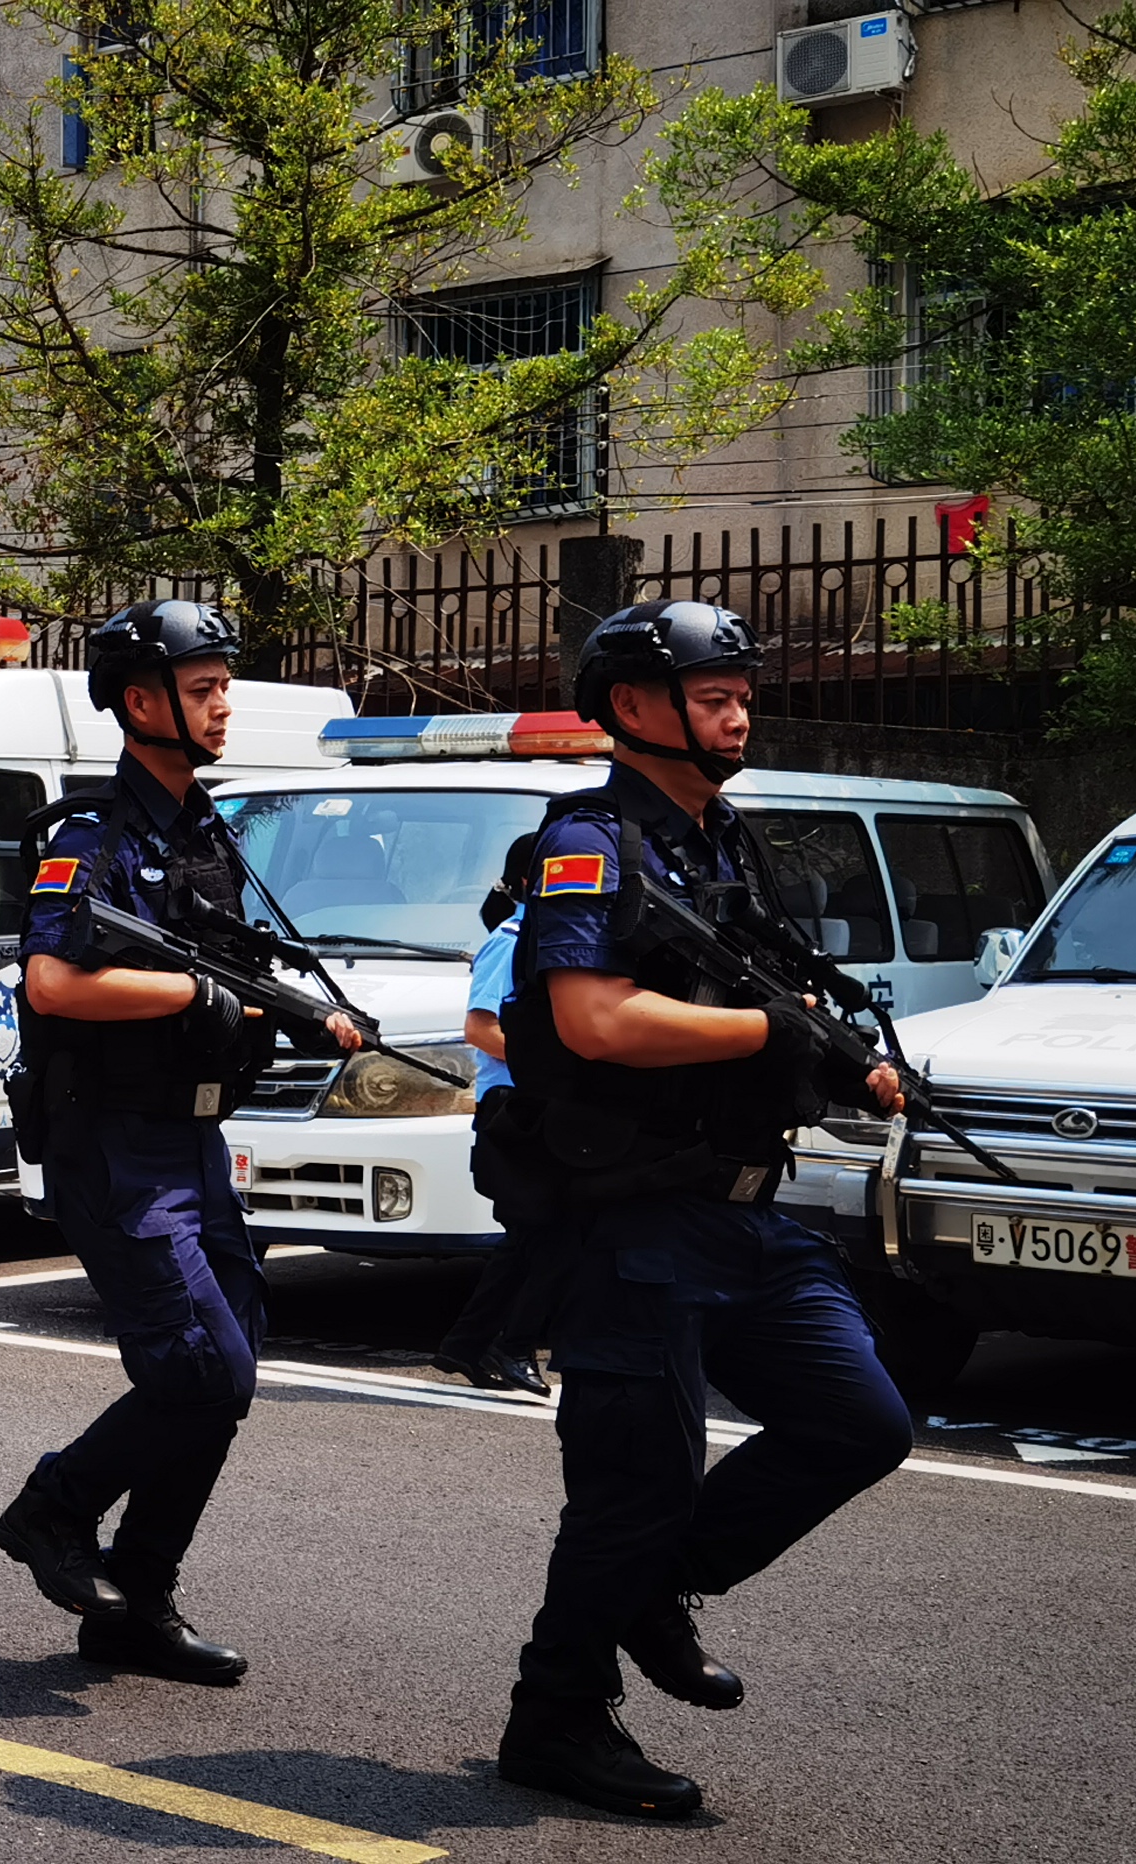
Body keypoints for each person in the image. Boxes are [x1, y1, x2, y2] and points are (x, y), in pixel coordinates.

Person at [484, 603, 912, 1820]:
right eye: (713, 695)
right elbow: (593, 1018)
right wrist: (768, 1033)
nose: (737, 713)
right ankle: (554, 1719)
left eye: (740, 695)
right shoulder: (588, 840)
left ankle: (652, 1588)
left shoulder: (724, 842)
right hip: (629, 1218)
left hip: (743, 1210)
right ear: (632, 707)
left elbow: (768, 1000)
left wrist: (838, 1060)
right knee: (631, 1482)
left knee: (859, 1419)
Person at [0, 602, 363, 1680]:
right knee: (202, 1367)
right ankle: (53, 1505)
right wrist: (192, 997)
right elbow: (52, 981)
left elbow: (227, 970)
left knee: (228, 1369)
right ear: (140, 701)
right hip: (111, 1141)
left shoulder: (204, 829)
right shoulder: (91, 834)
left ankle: (137, 1600)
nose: (222, 704)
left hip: (193, 1140)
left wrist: (295, 1011)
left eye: (221, 686)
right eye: (203, 689)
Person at [431, 833, 550, 1395]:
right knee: (540, 1232)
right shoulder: (512, 940)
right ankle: (503, 1345)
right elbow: (480, 1028)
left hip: (537, 1105)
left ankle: (475, 1346)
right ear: (528, 882)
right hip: (512, 1109)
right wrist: (552, 1067)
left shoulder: (544, 939)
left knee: (540, 1234)